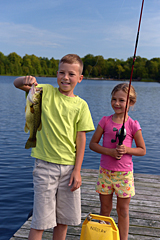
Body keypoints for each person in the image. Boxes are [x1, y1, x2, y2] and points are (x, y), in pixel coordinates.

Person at [14, 54, 95, 240]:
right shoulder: (45, 92)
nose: (66, 77)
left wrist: (78, 170)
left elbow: (81, 139)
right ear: (56, 74)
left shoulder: (81, 105)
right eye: (62, 72)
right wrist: (26, 80)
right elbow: (17, 85)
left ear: (80, 78)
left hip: (69, 169)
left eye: (71, 74)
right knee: (40, 222)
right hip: (44, 167)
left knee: (63, 220)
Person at [89, 83, 146, 240]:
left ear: (131, 103)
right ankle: (104, 237)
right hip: (105, 173)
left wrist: (127, 150)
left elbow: (142, 150)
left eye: (122, 100)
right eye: (114, 99)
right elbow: (92, 144)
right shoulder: (105, 121)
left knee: (123, 210)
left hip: (124, 175)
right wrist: (110, 152)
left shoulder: (133, 125)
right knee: (105, 208)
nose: (116, 103)